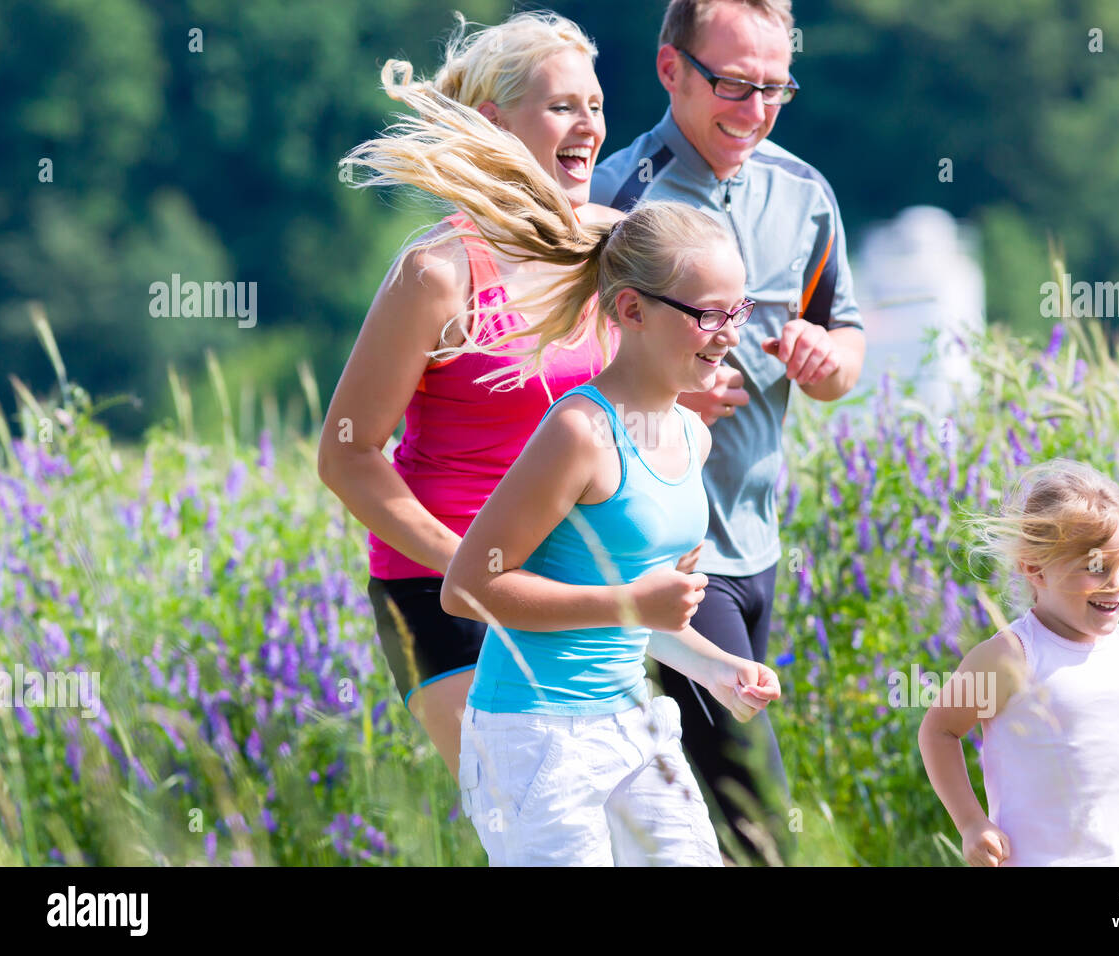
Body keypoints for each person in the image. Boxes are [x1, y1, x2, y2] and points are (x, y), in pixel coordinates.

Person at [340, 66, 784, 865]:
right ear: (633, 312)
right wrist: (627, 604)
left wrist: (717, 669)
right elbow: (471, 585)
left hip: (630, 722)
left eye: (738, 312)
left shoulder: (692, 439)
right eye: (711, 316)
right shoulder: (576, 430)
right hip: (535, 737)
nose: (730, 337)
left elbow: (653, 612)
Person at [590, 0, 867, 861]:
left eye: (775, 89)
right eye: (733, 86)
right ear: (671, 68)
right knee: (755, 800)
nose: (754, 112)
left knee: (678, 810)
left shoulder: (807, 194)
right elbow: (555, 366)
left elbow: (848, 336)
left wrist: (829, 357)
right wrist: (660, 399)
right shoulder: (608, 196)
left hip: (757, 544)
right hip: (662, 550)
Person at [317, 11, 624, 781]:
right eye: (562, 106)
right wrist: (474, 568)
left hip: (581, 583)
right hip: (442, 588)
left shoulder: (624, 252)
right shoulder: (437, 273)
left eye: (594, 104)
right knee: (527, 809)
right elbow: (347, 455)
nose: (587, 123)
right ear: (494, 123)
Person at [918, 459, 1119, 867]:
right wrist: (971, 823)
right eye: (1096, 568)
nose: (1117, 584)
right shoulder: (1012, 655)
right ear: (1035, 569)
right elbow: (939, 730)